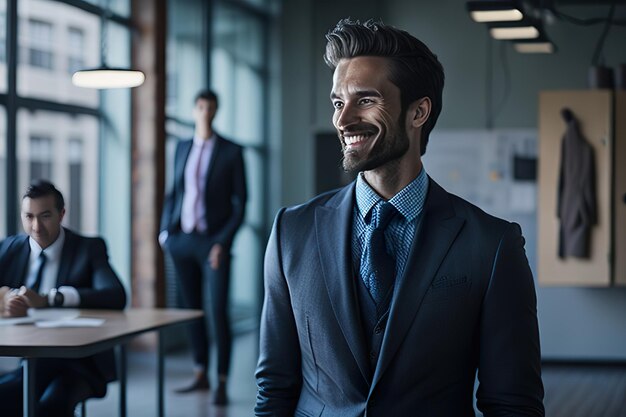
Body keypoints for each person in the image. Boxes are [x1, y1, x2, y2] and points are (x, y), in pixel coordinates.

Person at [255, 19, 544, 416]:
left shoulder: (492, 245)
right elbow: (274, 387)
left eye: (366, 100)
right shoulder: (292, 232)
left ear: (419, 111)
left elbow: (512, 403)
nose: (342, 120)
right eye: (339, 102)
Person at [0, 180, 127, 417]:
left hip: (78, 363)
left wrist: (52, 299)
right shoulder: (10, 248)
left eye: (45, 216)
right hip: (21, 357)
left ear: (62, 214)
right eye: (29, 217)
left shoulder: (88, 249)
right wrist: (5, 299)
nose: (36, 227)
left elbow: (116, 295)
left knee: (46, 405)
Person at [159, 89, 247, 404]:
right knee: (191, 310)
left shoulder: (232, 151)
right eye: (200, 107)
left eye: (210, 107)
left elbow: (241, 204)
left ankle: (221, 380)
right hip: (182, 241)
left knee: (218, 311)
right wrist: (165, 233)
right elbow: (175, 192)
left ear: (216, 110)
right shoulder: (182, 147)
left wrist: (223, 242)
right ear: (194, 110)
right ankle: (200, 373)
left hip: (214, 243)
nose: (205, 112)